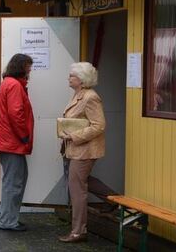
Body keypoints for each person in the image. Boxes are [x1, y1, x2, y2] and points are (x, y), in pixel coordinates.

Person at [58, 62, 107, 243]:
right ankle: (112, 199)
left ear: (81, 79)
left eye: (72, 75)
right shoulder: (79, 94)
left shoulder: (90, 97)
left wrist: (74, 135)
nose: (68, 78)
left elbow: (99, 125)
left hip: (84, 150)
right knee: (79, 183)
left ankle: (78, 231)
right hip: (76, 149)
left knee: (77, 190)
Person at [0, 53, 34, 232]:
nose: (30, 69)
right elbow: (16, 113)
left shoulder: (7, 83)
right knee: (14, 182)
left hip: (6, 139)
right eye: (28, 66)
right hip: (12, 141)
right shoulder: (15, 85)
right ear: (21, 66)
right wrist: (24, 136)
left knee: (15, 179)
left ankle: (6, 216)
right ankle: (8, 221)